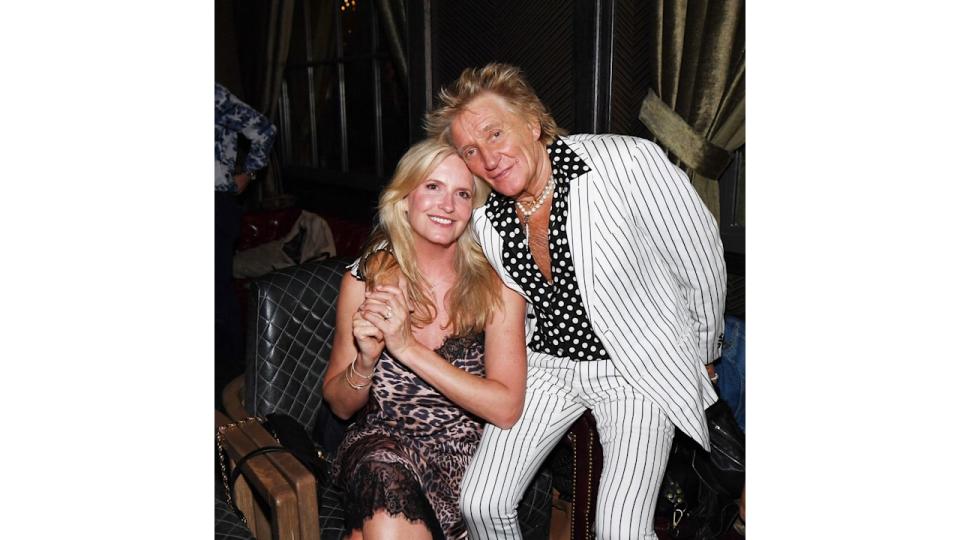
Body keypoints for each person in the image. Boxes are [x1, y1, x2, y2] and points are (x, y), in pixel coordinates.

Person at [423, 63, 727, 539]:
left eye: (495, 133)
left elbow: (700, 258)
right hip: (546, 366)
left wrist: (706, 351)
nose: (488, 157)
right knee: (481, 502)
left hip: (634, 367)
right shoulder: (484, 216)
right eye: (471, 150)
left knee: (619, 528)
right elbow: (423, 231)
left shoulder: (626, 163)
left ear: (532, 121)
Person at [322, 139, 528, 540]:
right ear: (405, 198)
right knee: (383, 486)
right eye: (433, 186)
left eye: (462, 193)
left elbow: (505, 408)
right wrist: (365, 362)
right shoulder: (365, 281)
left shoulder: (498, 286)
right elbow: (340, 407)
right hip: (383, 442)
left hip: (469, 457)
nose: (447, 205)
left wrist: (406, 348)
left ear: (474, 209)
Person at [214, 83, 277, 405]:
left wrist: (249, 174)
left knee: (216, 293)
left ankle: (232, 391)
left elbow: (264, 129)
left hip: (214, 202)